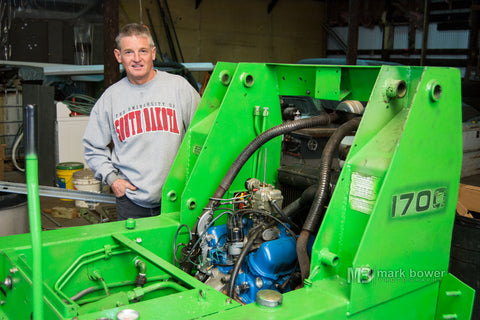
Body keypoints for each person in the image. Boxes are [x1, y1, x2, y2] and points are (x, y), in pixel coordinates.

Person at [82, 23, 200, 220]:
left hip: (177, 198)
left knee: (178, 250)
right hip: (132, 203)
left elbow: (202, 135)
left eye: (143, 51)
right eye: (129, 52)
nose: (137, 59)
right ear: (119, 56)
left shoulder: (179, 88)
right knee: (135, 251)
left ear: (153, 53)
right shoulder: (110, 98)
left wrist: (194, 181)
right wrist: (113, 180)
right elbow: (92, 147)